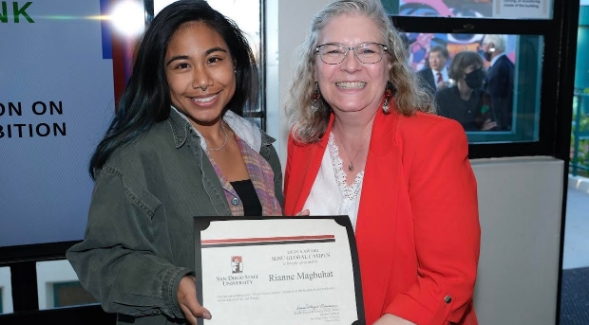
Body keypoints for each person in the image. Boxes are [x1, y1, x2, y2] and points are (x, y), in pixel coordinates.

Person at [66, 1, 283, 324]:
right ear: (162, 76)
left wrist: (295, 239)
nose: (202, 80)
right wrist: (173, 285)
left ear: (234, 63)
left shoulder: (262, 151)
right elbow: (100, 260)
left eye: (214, 60)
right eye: (182, 66)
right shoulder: (135, 158)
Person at [283, 1, 481, 325]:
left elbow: (448, 280)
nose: (350, 65)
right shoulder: (302, 141)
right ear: (314, 65)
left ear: (389, 64)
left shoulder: (433, 141)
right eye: (333, 51)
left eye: (368, 51)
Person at [436, 51, 498, 131]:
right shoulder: (443, 98)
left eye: (480, 69)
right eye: (473, 68)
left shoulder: (484, 96)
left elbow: (491, 126)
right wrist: (478, 131)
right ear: (460, 72)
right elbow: (442, 130)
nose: (478, 73)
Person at [481, 34, 514, 130]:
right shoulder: (506, 64)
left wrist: (498, 126)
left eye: (484, 44)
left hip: (498, 126)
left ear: (491, 46)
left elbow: (495, 100)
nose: (482, 48)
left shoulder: (498, 68)